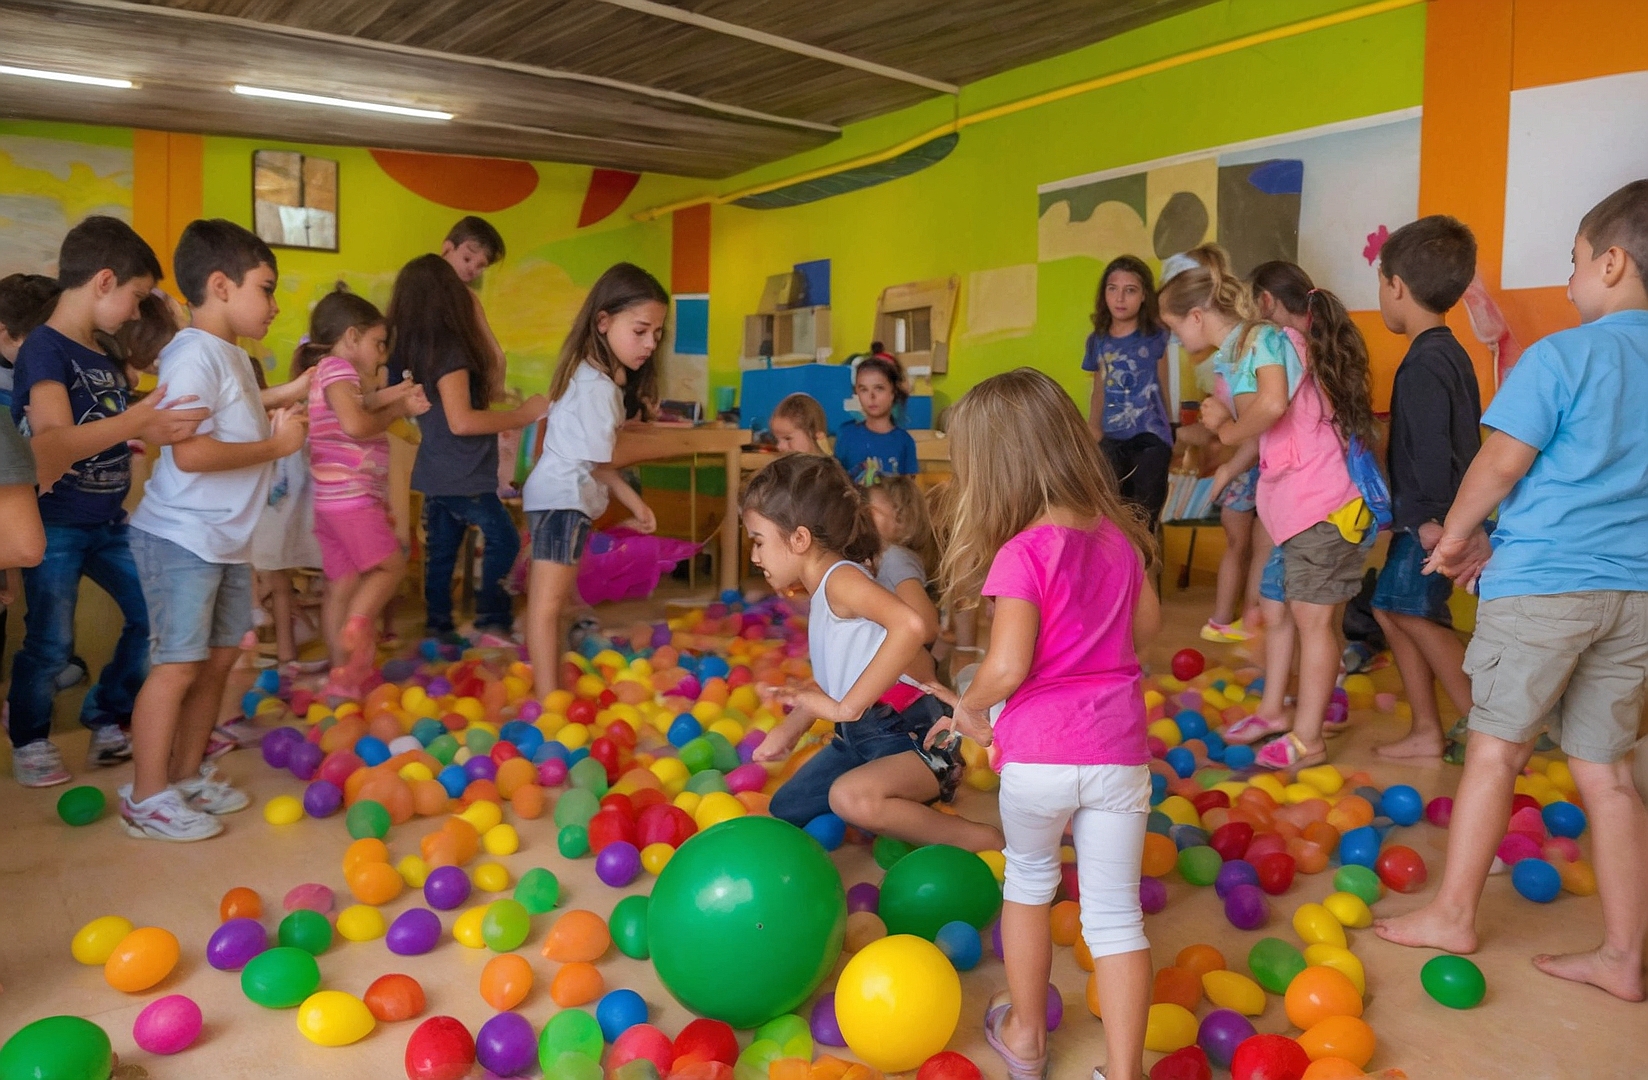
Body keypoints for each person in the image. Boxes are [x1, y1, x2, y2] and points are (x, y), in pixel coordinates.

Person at [1376, 181, 1648, 1003]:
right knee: (1609, 775)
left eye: (1572, 263)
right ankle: (1626, 959)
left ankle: (1456, 913)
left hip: (1542, 589)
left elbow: (1501, 462)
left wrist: (1456, 536)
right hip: (1634, 595)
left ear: (1611, 261)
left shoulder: (1567, 354)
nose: (1567, 282)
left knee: (1496, 749)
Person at [924, 368, 1157, 1080]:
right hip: (1118, 753)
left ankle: (1026, 1037)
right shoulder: (1121, 539)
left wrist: (966, 708)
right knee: (1116, 918)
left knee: (1028, 883)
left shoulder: (1021, 553)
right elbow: (1143, 633)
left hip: (1039, 758)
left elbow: (1006, 666)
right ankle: (1123, 1073)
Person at [8, 218, 208, 787]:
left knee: (153, 618)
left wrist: (143, 427)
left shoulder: (100, 350)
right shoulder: (44, 349)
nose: (136, 313)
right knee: (50, 642)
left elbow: (117, 424)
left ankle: (106, 715)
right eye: (136, 297)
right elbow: (51, 445)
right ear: (102, 281)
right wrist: (136, 419)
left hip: (108, 520)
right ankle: (29, 739)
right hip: (57, 525)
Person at [125, 219, 307, 840]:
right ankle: (146, 795)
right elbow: (191, 454)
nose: (275, 304)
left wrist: (278, 418)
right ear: (222, 286)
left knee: (219, 661)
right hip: (180, 537)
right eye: (267, 287)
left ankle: (182, 775)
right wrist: (277, 444)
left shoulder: (230, 357)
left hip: (223, 542)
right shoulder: (195, 353)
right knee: (177, 664)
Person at [1161, 246, 1376, 770]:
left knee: (1313, 620)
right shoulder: (1240, 353)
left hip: (1323, 506)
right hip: (1291, 511)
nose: (1176, 340)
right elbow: (1271, 428)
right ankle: (1274, 711)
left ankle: (1309, 738)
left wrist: (1222, 427)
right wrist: (1230, 468)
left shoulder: (1264, 339)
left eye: (1174, 328)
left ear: (1196, 316)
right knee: (1277, 608)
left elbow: (1273, 406)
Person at [747, 454, 995, 852]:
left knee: (848, 798)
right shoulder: (824, 589)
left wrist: (846, 709)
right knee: (787, 808)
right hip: (858, 739)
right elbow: (845, 675)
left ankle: (979, 837)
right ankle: (890, 789)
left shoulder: (840, 579)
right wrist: (790, 730)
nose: (755, 556)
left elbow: (912, 626)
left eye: (758, 541)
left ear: (799, 538)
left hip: (910, 736)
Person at [1366, 216, 1482, 761]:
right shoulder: (1447, 353)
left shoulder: (1423, 363)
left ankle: (1484, 733)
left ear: (1396, 286)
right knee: (1393, 608)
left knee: (1408, 610)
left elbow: (1435, 449)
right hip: (1430, 517)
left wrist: (1434, 521)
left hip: (1433, 520)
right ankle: (1429, 731)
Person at [521, 264, 664, 699]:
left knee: (558, 602)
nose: (650, 343)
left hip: (561, 499)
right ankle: (548, 698)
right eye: (640, 331)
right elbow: (609, 454)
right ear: (603, 322)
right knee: (546, 607)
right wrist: (675, 443)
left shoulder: (587, 376)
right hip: (562, 501)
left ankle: (556, 676)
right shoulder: (596, 386)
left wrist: (632, 501)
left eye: (656, 333)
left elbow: (596, 461)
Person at [390, 255, 545, 644]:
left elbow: (488, 380)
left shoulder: (415, 352)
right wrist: (521, 415)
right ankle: (493, 618)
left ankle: (439, 626)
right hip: (463, 476)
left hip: (437, 473)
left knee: (441, 555)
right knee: (505, 539)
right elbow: (463, 420)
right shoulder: (448, 352)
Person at [302, 287, 429, 698]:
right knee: (390, 566)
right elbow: (357, 424)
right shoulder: (338, 368)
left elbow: (366, 401)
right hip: (352, 498)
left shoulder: (334, 376)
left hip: (329, 503)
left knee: (341, 585)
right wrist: (398, 411)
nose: (382, 356)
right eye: (378, 345)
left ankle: (343, 677)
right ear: (352, 337)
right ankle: (359, 626)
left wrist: (399, 396)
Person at [1194, 262, 1310, 643]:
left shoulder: (1265, 344)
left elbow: (1267, 412)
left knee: (1266, 555)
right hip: (1267, 469)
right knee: (1260, 552)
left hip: (1283, 474)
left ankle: (1247, 622)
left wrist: (1226, 431)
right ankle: (1244, 623)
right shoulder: (1285, 344)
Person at [1085, 255, 1173, 530]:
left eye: (1130, 290)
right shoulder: (1097, 339)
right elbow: (1099, 386)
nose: (1120, 298)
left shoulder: (1157, 335)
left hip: (1150, 440)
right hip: (1111, 439)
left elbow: (1165, 385)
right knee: (1110, 519)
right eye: (1113, 288)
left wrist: (1172, 432)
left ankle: (1147, 572)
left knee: (1144, 522)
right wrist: (1093, 430)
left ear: (1145, 295)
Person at [440, 216, 510, 396]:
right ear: (447, 248)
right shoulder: (420, 281)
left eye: (481, 266)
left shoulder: (468, 298)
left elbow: (496, 356)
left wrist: (496, 392)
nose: (472, 269)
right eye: (467, 258)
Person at [835, 352, 917, 482]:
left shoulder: (904, 442)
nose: (871, 396)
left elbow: (909, 494)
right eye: (864, 389)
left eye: (879, 388)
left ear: (893, 392)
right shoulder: (846, 435)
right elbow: (836, 483)